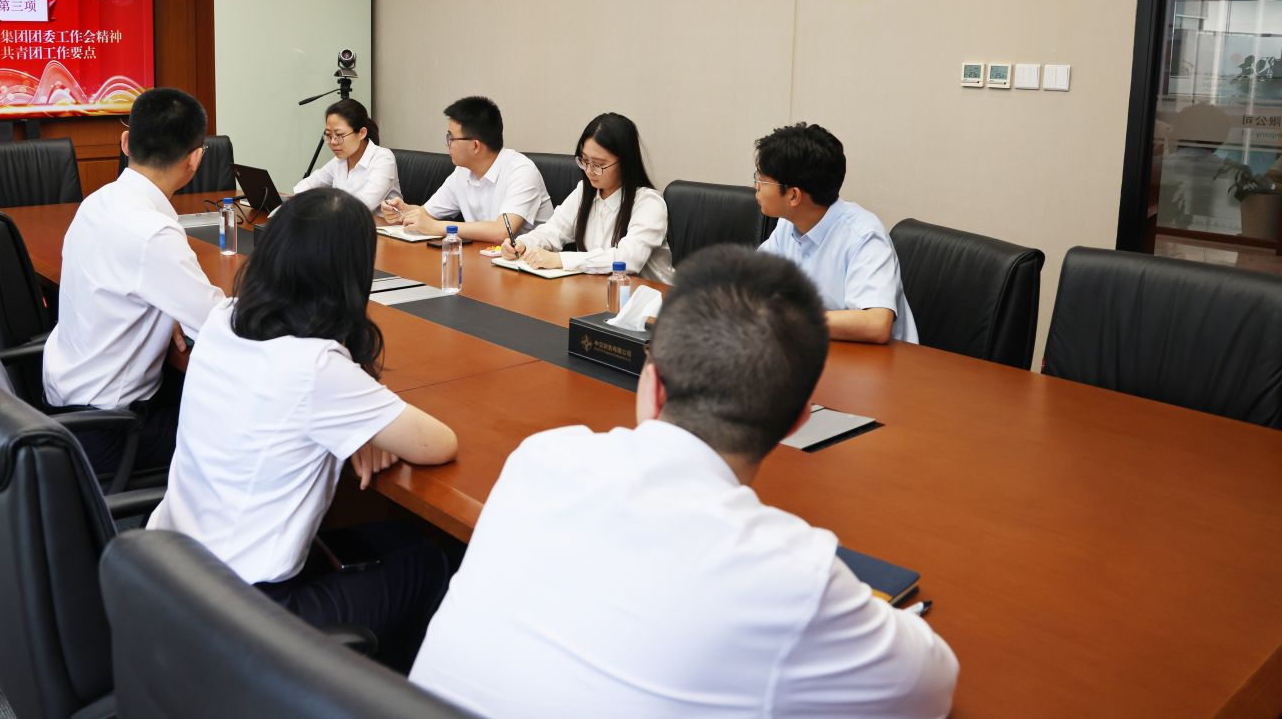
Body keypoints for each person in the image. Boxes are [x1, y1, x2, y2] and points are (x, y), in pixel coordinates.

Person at [410, 246, 958, 718]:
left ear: (652, 384)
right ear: (798, 421)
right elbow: (933, 685)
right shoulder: (792, 574)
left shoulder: (542, 458)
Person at [148, 187, 460, 672]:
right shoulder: (315, 366)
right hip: (247, 611)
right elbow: (439, 444)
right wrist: (365, 426)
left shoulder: (224, 317)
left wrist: (360, 425)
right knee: (432, 564)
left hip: (172, 573)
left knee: (384, 535)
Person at [42, 87, 225, 474]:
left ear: (125, 142)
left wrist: (167, 308)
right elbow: (221, 327)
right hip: (111, 430)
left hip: (66, 401)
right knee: (244, 428)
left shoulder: (98, 202)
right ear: (195, 159)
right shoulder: (153, 233)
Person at [753, 123, 917, 344]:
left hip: (882, 361)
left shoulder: (863, 236)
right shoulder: (787, 225)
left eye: (761, 180)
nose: (756, 187)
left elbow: (877, 324)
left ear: (793, 196)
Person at [502, 112, 674, 283]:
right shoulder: (584, 191)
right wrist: (523, 244)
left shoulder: (649, 204)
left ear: (625, 162)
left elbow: (627, 259)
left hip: (651, 295)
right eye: (584, 161)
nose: (589, 171)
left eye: (598, 164)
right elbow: (553, 230)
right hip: (597, 290)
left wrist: (560, 259)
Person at [382, 95, 552, 243]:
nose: (447, 144)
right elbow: (427, 213)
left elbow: (502, 231)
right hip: (484, 258)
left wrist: (436, 227)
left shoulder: (521, 171)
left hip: (531, 263)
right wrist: (404, 211)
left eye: (451, 138)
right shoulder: (462, 172)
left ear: (475, 146)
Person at [291, 98, 400, 211]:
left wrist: (322, 203)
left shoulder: (383, 159)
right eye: (328, 135)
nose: (333, 142)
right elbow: (306, 185)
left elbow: (362, 205)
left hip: (374, 222)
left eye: (339, 135)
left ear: (362, 133)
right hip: (341, 220)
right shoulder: (339, 161)